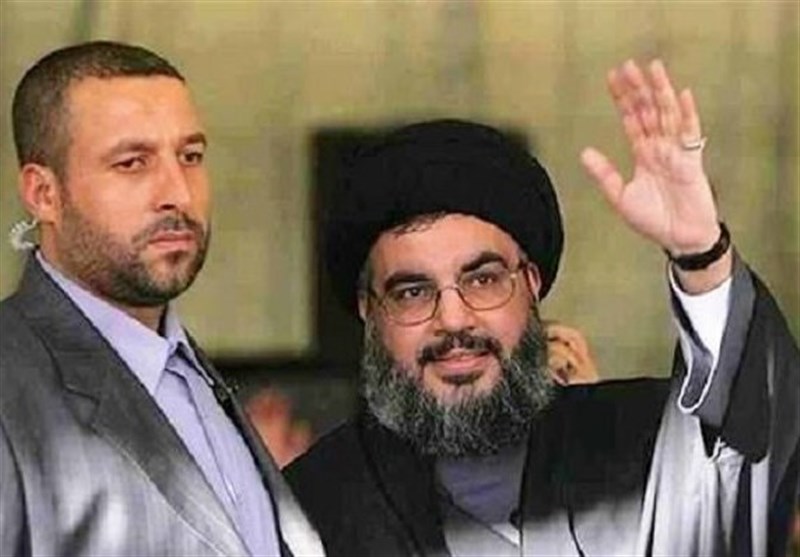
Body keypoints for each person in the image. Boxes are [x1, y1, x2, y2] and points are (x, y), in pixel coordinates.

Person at [284, 59, 800, 556]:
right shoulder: (311, 512)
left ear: (531, 285)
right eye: (413, 292)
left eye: (483, 280)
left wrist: (701, 254)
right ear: (368, 311)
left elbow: (748, 446)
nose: (454, 320)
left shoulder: (644, 446)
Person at [0, 41, 322, 557]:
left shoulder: (190, 374)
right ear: (44, 194)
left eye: (190, 157)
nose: (178, 193)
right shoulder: (13, 383)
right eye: (132, 163)